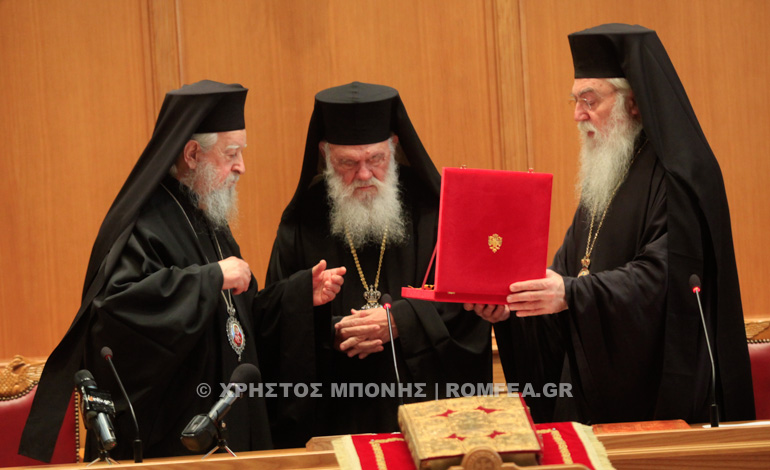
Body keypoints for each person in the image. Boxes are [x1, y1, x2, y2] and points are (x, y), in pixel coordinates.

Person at [19, 80, 345, 462]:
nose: (242, 166)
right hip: (175, 442)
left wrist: (297, 295)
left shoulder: (209, 217)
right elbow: (116, 313)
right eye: (231, 154)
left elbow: (236, 322)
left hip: (230, 427)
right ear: (192, 154)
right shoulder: (144, 225)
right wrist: (211, 278)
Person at [468, 23, 755, 425]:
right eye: (575, 101)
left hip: (663, 400)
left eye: (589, 101)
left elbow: (665, 279)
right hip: (595, 401)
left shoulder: (682, 174)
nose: (577, 114)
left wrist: (572, 294)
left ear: (633, 102)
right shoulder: (605, 177)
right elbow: (567, 274)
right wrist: (513, 308)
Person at [264, 81, 492, 447]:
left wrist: (401, 320)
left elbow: (468, 306)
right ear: (325, 154)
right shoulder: (302, 221)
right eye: (348, 163)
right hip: (337, 412)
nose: (364, 174)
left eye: (376, 160)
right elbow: (275, 313)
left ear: (394, 146)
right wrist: (332, 330)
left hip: (428, 413)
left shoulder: (435, 211)